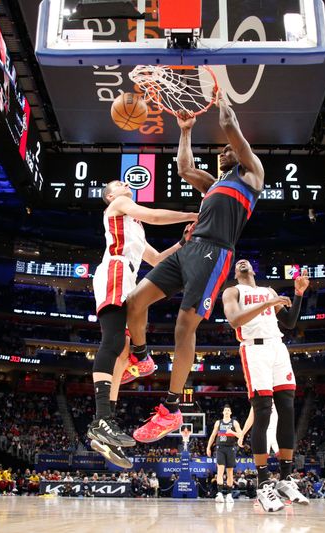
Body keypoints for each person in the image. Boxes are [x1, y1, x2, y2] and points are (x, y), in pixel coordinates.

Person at [127, 92, 265, 443]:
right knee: (134, 303)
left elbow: (229, 125)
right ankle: (142, 358)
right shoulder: (213, 183)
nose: (223, 152)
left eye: (227, 150)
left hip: (215, 253)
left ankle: (171, 409)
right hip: (188, 248)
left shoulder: (251, 175)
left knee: (183, 328)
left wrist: (221, 99)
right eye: (220, 151)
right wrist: (186, 130)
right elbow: (184, 168)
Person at [86, 179, 197, 468]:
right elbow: (156, 215)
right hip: (115, 269)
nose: (125, 184)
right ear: (110, 196)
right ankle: (101, 420)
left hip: (128, 274)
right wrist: (189, 214)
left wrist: (183, 242)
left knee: (122, 352)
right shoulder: (118, 205)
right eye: (118, 184)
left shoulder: (134, 223)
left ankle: (105, 428)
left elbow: (157, 258)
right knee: (112, 342)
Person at [223, 260, 310, 511]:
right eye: (238, 262)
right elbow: (234, 320)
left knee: (287, 408)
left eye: (246, 261)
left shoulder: (269, 291)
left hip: (277, 347)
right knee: (262, 411)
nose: (242, 262)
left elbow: (290, 322)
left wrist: (299, 293)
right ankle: (263, 484)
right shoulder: (233, 292)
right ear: (235, 273)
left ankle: (285, 478)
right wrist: (268, 304)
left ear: (253, 270)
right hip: (254, 349)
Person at [205, 404, 242, 503]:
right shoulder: (218, 423)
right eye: (225, 410)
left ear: (230, 412)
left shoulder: (234, 423)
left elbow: (241, 435)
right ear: (223, 412)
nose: (226, 412)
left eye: (228, 410)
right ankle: (220, 493)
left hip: (231, 448)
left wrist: (232, 432)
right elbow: (213, 435)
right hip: (220, 448)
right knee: (220, 470)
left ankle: (229, 495)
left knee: (230, 472)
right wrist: (208, 447)